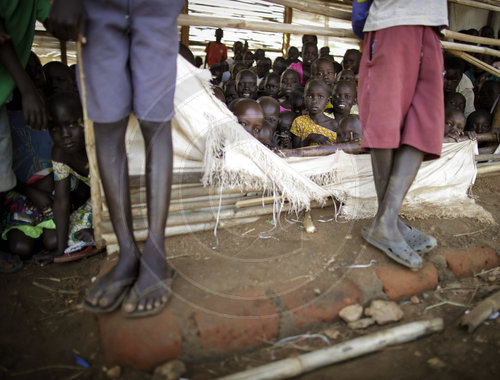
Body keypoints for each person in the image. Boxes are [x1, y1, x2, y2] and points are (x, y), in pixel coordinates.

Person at [47, 0, 184, 316]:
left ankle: (155, 253)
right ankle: (127, 254)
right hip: (96, 6)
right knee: (107, 126)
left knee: (155, 123)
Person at [357, 0, 448, 270]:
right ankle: (386, 222)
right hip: (392, 20)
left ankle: (388, 219)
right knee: (385, 120)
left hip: (431, 24)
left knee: (425, 123)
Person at [290, 79, 337, 148]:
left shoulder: (334, 125)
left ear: (327, 101)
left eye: (320, 96)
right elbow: (295, 151)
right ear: (304, 99)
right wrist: (309, 138)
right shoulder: (299, 122)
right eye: (310, 96)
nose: (314, 101)